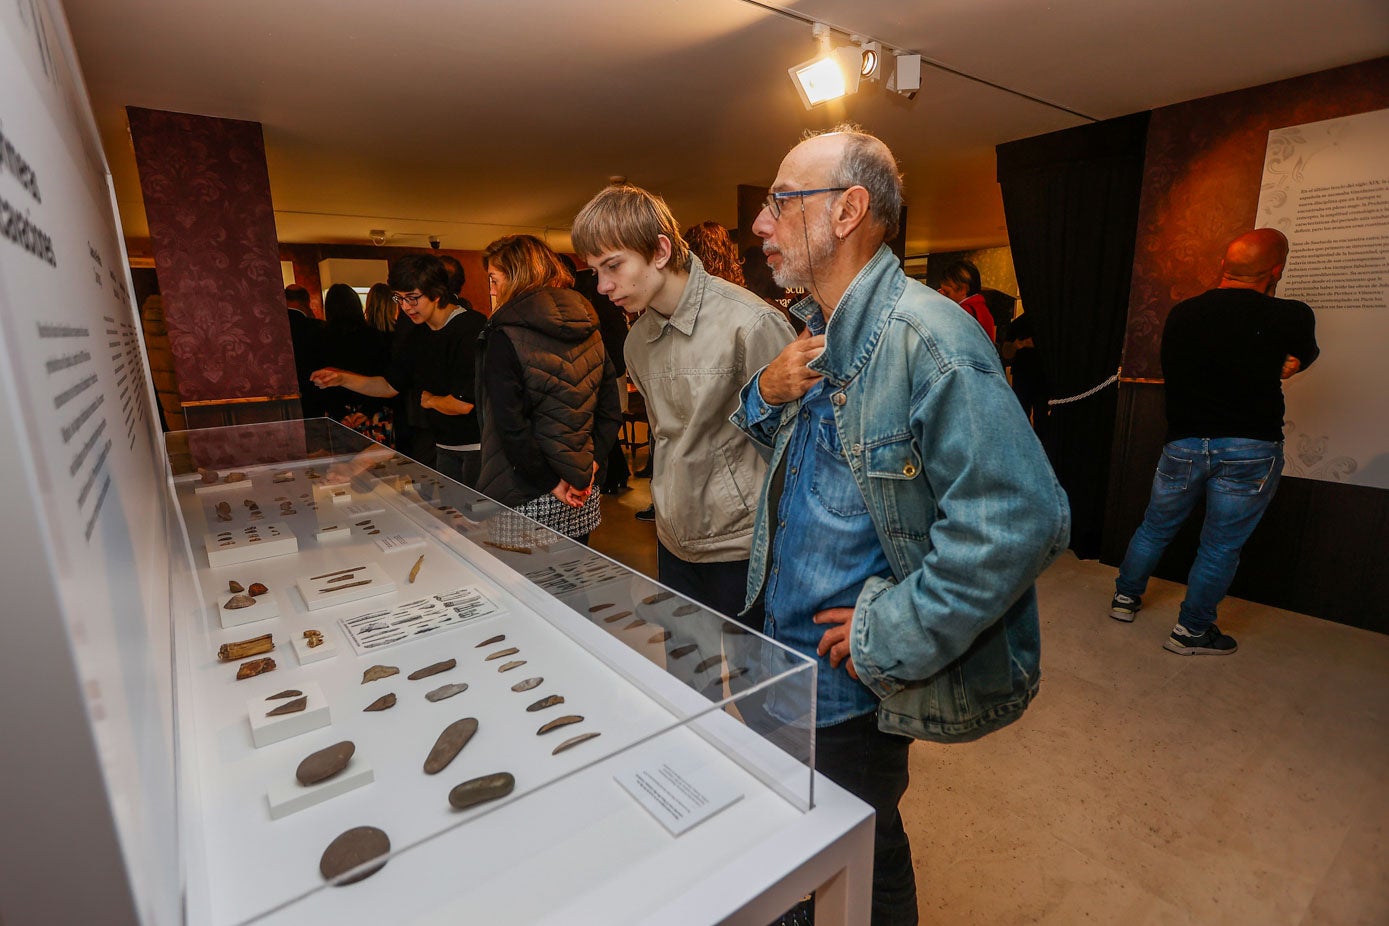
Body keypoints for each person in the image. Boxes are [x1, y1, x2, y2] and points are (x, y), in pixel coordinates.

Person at [735, 126, 1069, 925]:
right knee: (799, 850)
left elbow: (1021, 519)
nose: (760, 223)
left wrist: (893, 629)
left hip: (844, 679)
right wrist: (764, 393)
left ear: (847, 211)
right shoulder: (818, 328)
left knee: (862, 862)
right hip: (778, 652)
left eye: (781, 201)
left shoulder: (927, 338)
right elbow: (789, 457)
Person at [572, 187, 794, 625]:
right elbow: (667, 438)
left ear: (659, 250)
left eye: (613, 266)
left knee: (756, 684)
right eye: (596, 271)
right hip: (673, 540)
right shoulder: (637, 340)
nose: (603, 286)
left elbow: (797, 453)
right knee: (687, 678)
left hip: (744, 548)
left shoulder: (750, 323)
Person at [1110, 228, 1318, 655]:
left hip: (1184, 443)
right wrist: (1293, 361)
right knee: (1221, 544)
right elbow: (1303, 354)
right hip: (1250, 447)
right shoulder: (1291, 315)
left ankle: (1124, 599)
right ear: (1275, 270)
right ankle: (1190, 632)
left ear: (1224, 266)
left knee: (1154, 527)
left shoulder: (1183, 313)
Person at [477, 234, 621, 543]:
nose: (490, 290)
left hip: (523, 491)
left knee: (522, 588)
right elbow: (610, 409)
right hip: (580, 488)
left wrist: (551, 482)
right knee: (572, 580)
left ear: (517, 276)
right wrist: (590, 464)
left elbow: (510, 426)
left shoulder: (504, 336)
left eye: (493, 279)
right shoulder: (589, 327)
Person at [309, 254, 486, 485]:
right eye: (399, 299)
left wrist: (431, 401)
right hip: (442, 445)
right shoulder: (417, 332)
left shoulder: (470, 327)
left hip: (478, 447)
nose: (406, 307)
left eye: (413, 298)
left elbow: (463, 403)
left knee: (477, 517)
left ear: (437, 292)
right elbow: (390, 385)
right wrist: (342, 378)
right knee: (452, 515)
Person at [318, 283, 394, 446]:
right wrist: (367, 409)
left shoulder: (321, 339)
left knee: (340, 467)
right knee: (381, 466)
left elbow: (319, 381)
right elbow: (384, 377)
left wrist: (338, 411)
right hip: (374, 410)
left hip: (338, 413)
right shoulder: (375, 337)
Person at [285, 284, 326, 418]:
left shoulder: (274, 329)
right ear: (307, 301)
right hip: (314, 394)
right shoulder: (318, 328)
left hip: (283, 398)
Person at [936, 259, 996, 342]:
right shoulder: (980, 308)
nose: (941, 294)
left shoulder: (963, 312)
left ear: (963, 290)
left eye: (947, 292)